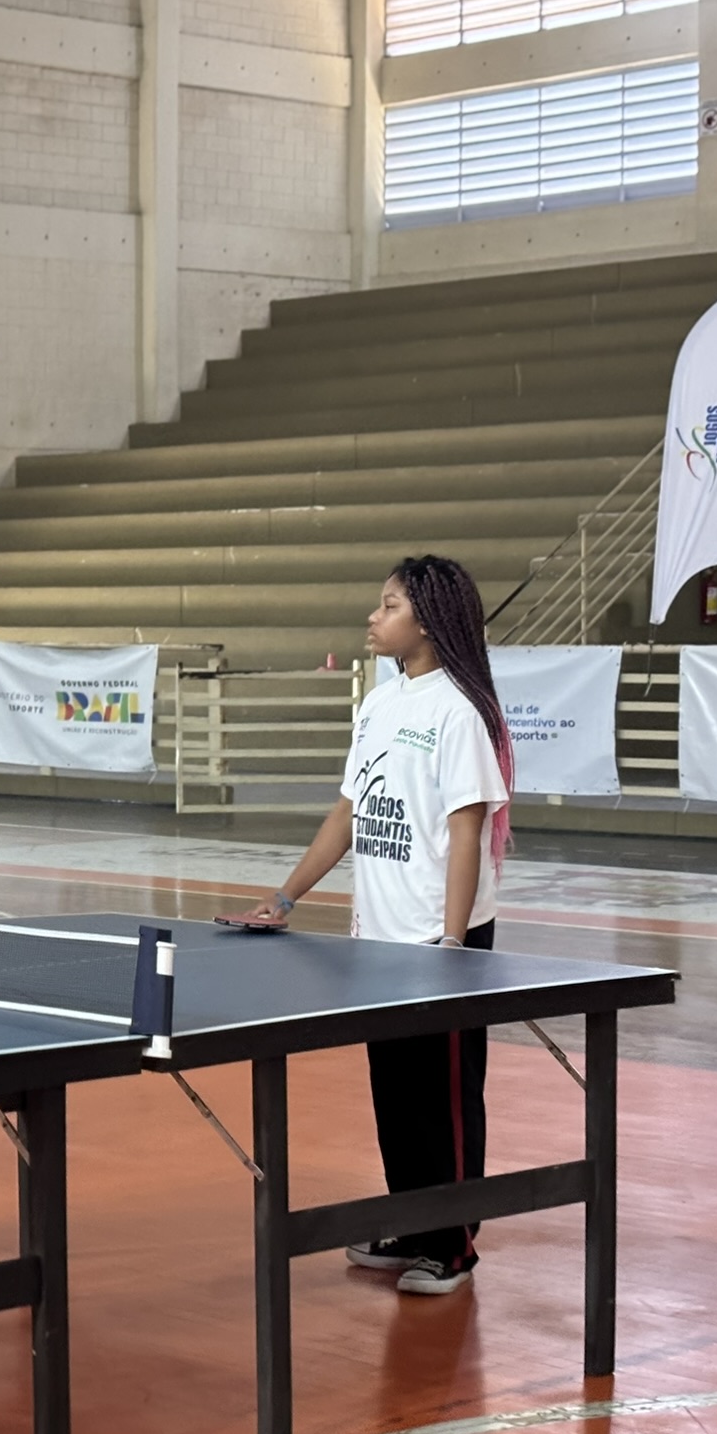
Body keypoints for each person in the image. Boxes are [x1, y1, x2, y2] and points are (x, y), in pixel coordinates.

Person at [234, 556, 512, 1297]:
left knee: (443, 1100)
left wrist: (453, 944)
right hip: (378, 940)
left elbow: (467, 834)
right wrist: (285, 897)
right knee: (395, 1093)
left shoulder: (459, 711)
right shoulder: (380, 704)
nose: (373, 616)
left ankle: (452, 1246)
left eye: (389, 605)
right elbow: (349, 814)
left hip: (439, 941)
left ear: (428, 621)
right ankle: (412, 1223)